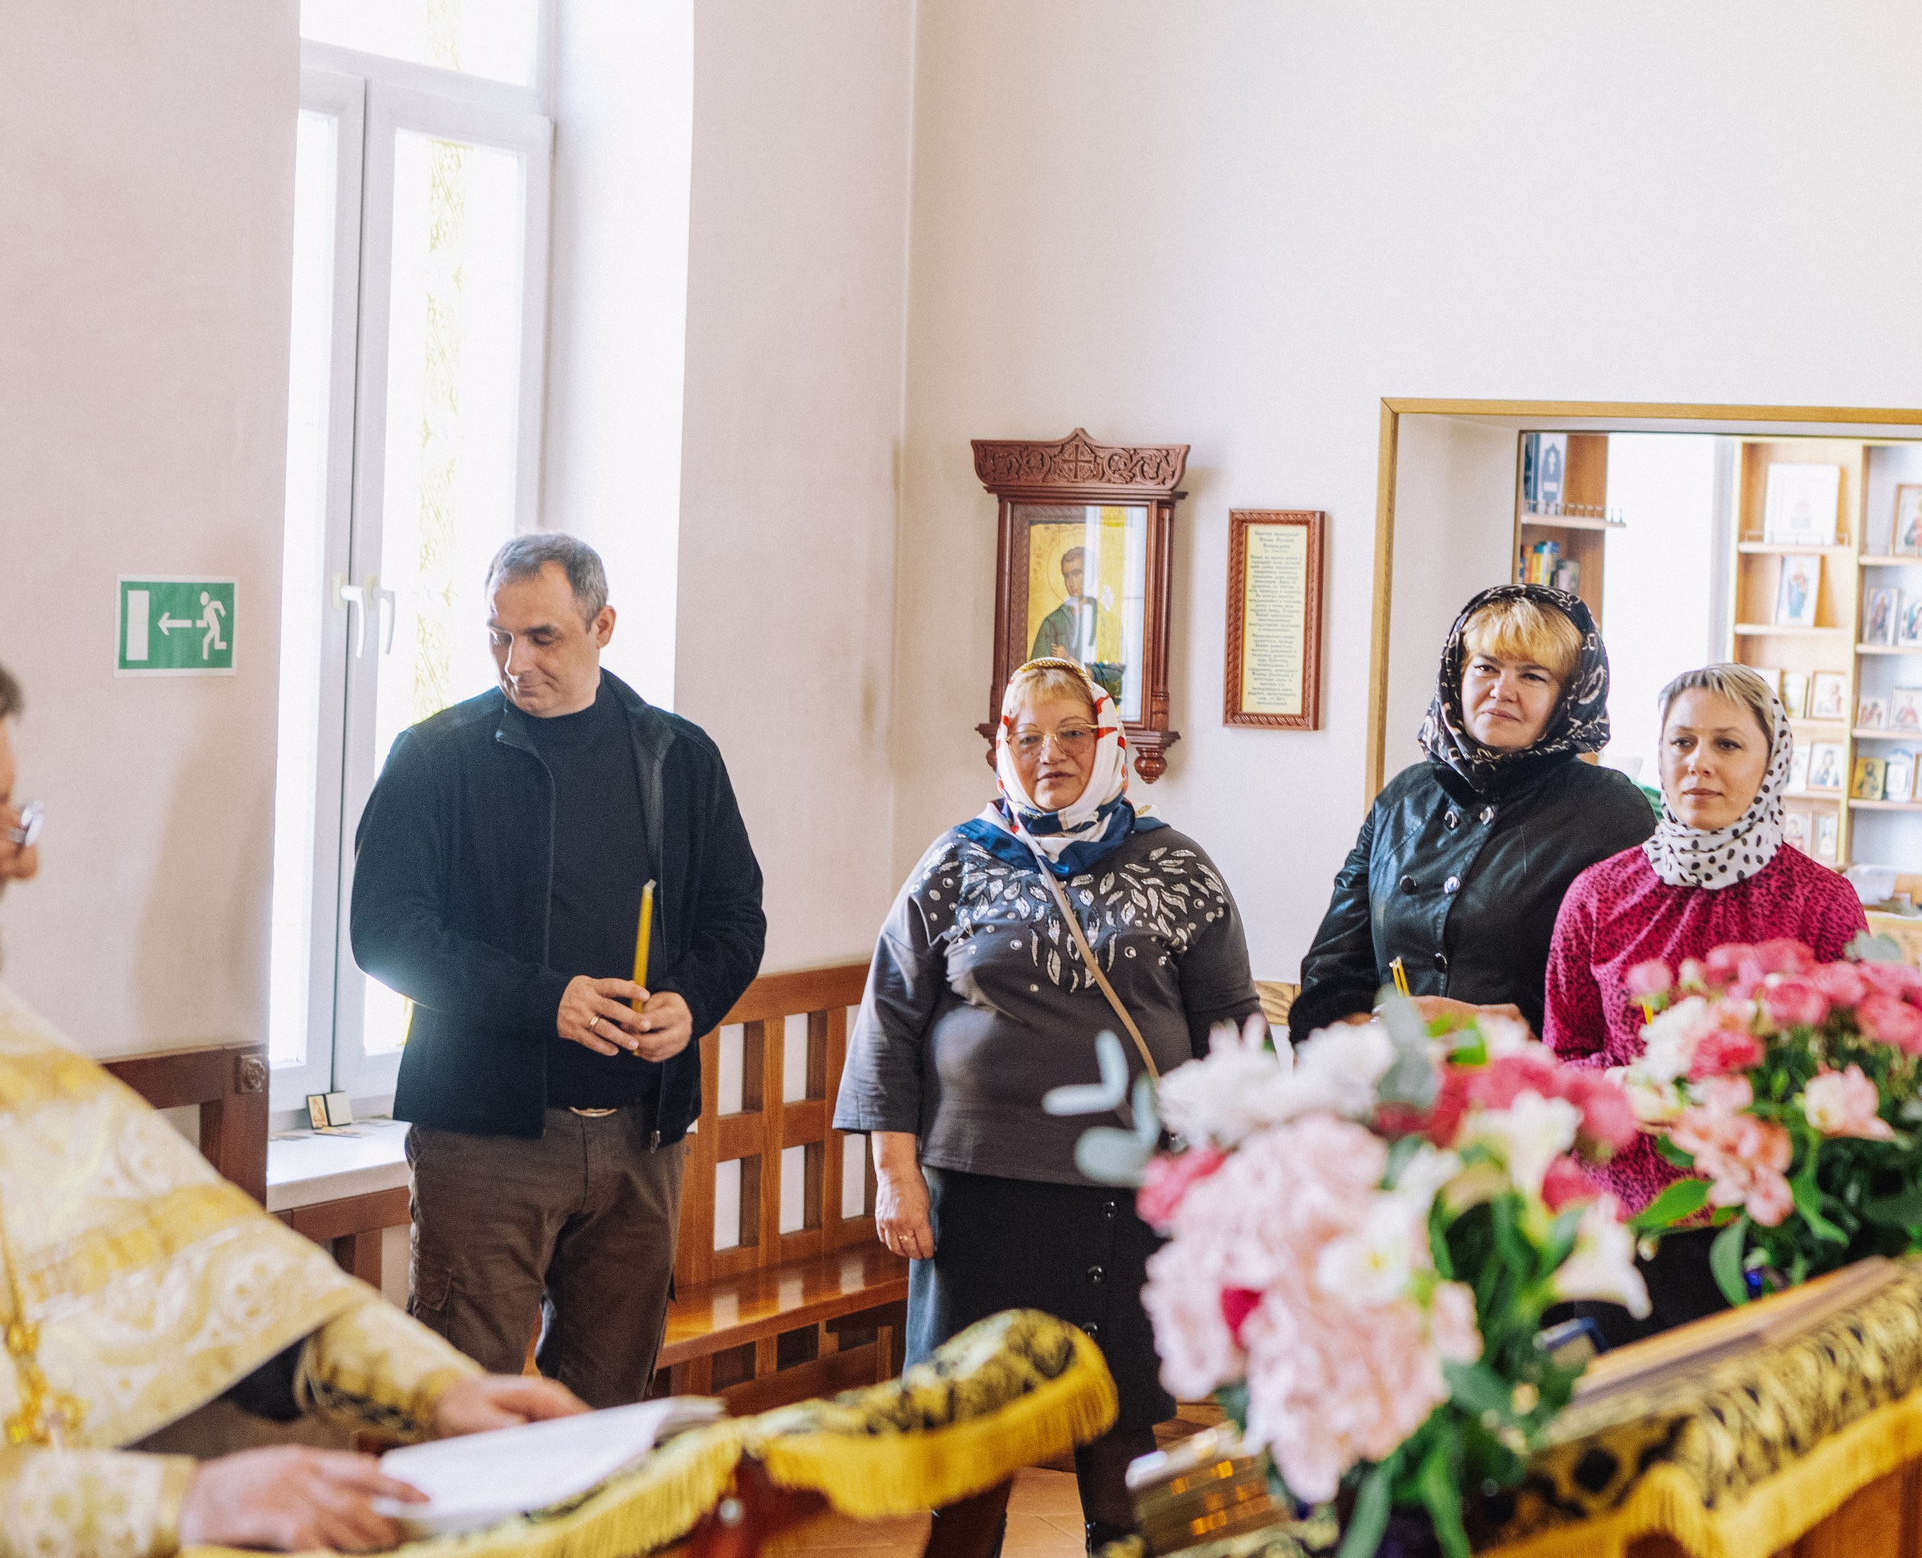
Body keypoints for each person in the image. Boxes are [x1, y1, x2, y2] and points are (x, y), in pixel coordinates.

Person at [0, 661, 587, 1556]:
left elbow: (232, 1289)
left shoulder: (20, 1055)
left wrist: (440, 1388)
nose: (29, 858)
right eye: (4, 822)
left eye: (19, 813)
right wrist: (186, 1503)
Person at [837, 659, 1257, 1553]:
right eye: (1023, 736)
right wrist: (893, 1174)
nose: (1046, 753)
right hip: (978, 1196)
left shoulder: (1177, 865)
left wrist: (1232, 1179)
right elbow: (888, 1022)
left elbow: (1233, 1030)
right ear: (1000, 748)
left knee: (1119, 1430)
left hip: (1128, 1197)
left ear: (1110, 740)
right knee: (974, 1441)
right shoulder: (954, 861)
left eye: (1070, 732)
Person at [350, 533, 767, 1408]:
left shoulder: (678, 756)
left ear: (603, 624)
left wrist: (692, 1004)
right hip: (487, 1135)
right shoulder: (435, 757)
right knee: (471, 1402)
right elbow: (385, 933)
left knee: (609, 1404)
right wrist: (550, 1002)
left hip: (641, 1132)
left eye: (543, 637)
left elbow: (737, 918)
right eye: (499, 636)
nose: (516, 661)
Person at [1546, 664, 1868, 1343]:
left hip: (1760, 1230)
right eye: (1682, 742)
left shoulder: (1819, 902)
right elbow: (1564, 1052)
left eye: (1727, 744)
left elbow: (1855, 1069)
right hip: (1622, 1231)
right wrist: (1619, 1087)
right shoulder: (1598, 896)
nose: (1700, 763)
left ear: (1771, 760)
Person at [1292, 586, 1654, 1039]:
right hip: (1390, 1081)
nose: (1502, 691)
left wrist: (1496, 1027)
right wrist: (1368, 1039)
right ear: (1456, 676)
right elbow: (1333, 963)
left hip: (1529, 1091)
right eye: (1486, 667)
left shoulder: (1611, 810)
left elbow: (1630, 997)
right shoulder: (1405, 795)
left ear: (1568, 698)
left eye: (1533, 676)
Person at [1031, 544, 1125, 698]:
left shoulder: (1109, 622)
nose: (1071, 582)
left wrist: (1070, 661)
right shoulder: (1052, 622)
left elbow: (1118, 675)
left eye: (1076, 573)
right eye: (1066, 575)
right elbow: (1035, 674)